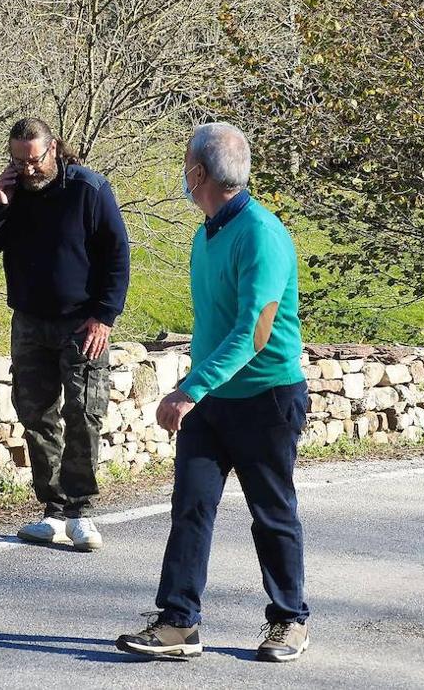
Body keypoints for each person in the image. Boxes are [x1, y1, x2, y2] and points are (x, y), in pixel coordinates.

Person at [116, 122, 310, 663]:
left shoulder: (261, 234)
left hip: (267, 399)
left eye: (185, 164)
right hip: (210, 400)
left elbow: (256, 330)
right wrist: (199, 389)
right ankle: (179, 623)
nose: (182, 173)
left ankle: (289, 620)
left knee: (271, 511)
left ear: (198, 173)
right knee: (192, 507)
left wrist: (189, 387)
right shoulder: (210, 230)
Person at [0, 117, 130, 551]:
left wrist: (104, 317)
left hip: (82, 323)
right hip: (29, 322)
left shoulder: (89, 189)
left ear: (53, 149)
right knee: (36, 415)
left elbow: (117, 255)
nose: (27, 169)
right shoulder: (14, 194)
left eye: (34, 159)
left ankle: (80, 513)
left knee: (83, 413)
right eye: (18, 160)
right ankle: (53, 511)